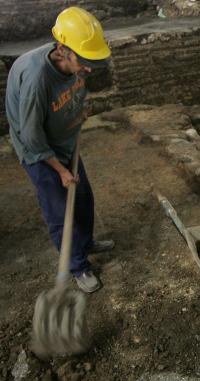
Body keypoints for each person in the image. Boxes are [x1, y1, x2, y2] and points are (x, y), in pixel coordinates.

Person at [5, 7, 115, 293]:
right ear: (62, 49)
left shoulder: (76, 60)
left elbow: (75, 91)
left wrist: (80, 110)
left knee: (83, 199)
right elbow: (31, 136)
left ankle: (87, 243)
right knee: (59, 210)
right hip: (40, 153)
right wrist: (60, 170)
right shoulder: (36, 79)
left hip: (66, 142)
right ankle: (77, 266)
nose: (89, 68)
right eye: (85, 61)